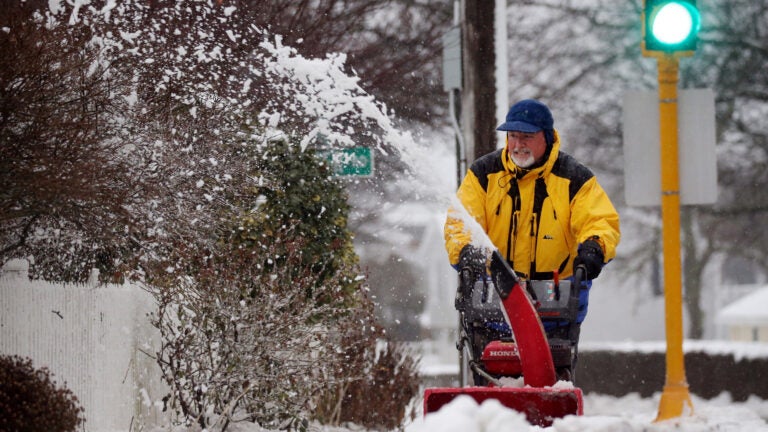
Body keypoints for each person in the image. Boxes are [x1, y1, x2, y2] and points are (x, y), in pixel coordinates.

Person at [444, 99, 620, 380]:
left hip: (554, 297)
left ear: (547, 138)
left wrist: (594, 248)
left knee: (553, 370)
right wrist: (466, 251)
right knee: (484, 364)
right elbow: (460, 222)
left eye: (526, 137)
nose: (517, 144)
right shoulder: (484, 174)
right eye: (512, 136)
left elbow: (599, 221)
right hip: (493, 293)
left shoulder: (575, 179)